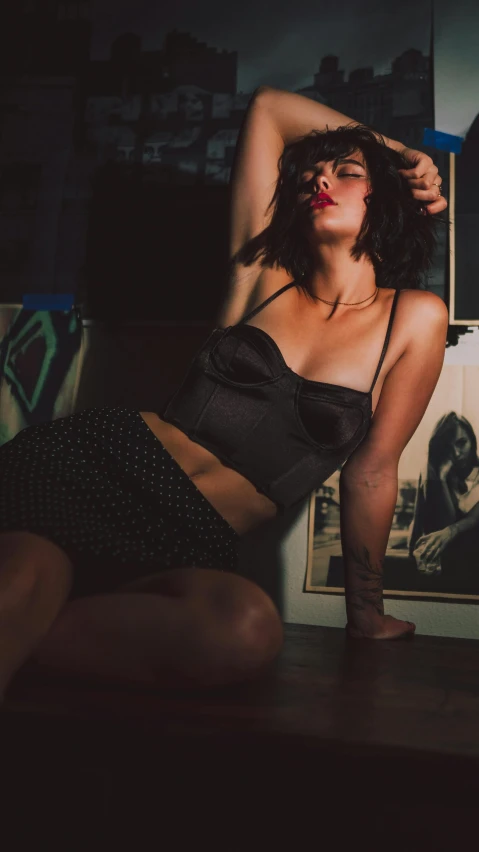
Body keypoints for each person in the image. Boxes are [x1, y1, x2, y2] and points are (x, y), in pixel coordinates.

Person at [0, 86, 448, 700]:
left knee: (242, 631)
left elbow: (371, 472)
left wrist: (366, 614)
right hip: (94, 466)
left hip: (192, 537)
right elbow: (268, 108)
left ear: (387, 201)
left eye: (346, 173)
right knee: (22, 580)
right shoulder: (258, 273)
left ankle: (23, 631)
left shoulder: (415, 317)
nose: (320, 180)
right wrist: (396, 147)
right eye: (310, 174)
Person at [408, 412, 479, 588]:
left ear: (473, 441)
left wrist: (451, 531)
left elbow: (474, 519)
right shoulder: (434, 473)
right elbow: (428, 523)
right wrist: (440, 478)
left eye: (462, 443)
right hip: (445, 566)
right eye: (448, 447)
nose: (456, 453)